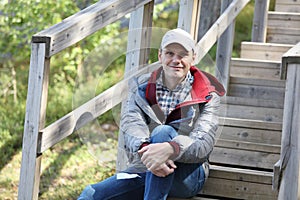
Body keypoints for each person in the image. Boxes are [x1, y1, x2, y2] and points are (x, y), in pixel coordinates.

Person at [78, 28, 225, 200]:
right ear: (160, 56)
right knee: (91, 194)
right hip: (146, 168)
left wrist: (171, 148)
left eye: (183, 55)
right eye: (170, 53)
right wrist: (148, 154)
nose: (176, 60)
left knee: (162, 132)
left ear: (193, 57)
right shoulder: (140, 88)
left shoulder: (207, 94)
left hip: (188, 176)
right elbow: (132, 127)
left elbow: (203, 142)